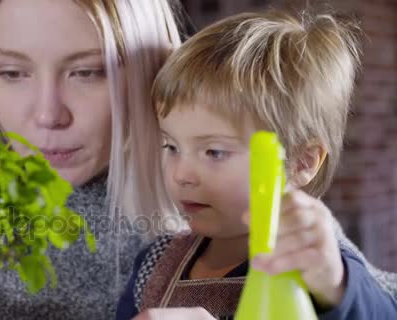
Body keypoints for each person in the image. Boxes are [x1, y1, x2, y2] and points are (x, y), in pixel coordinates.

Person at [0, 1, 394, 319]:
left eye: (86, 72)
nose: (47, 114)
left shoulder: (223, 220)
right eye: (12, 72)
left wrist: (336, 281)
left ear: (150, 72)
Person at [117, 9, 397, 320]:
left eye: (214, 152)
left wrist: (334, 283)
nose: (180, 174)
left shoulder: (319, 268)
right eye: (171, 146)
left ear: (302, 161)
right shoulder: (155, 263)